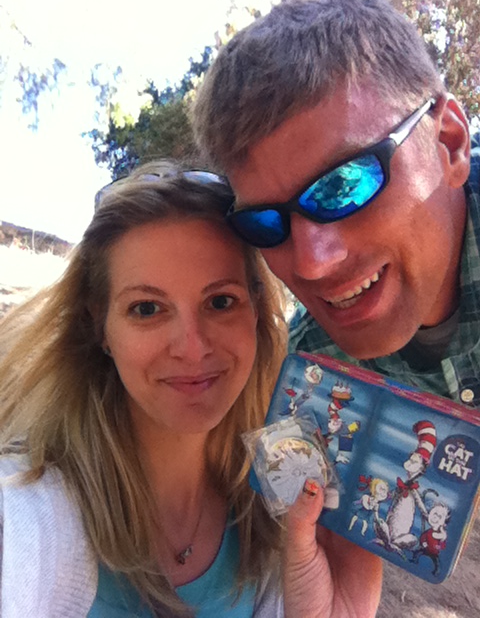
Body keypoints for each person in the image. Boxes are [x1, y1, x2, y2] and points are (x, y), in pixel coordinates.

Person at [0, 162, 381, 617]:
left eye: (220, 302)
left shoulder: (283, 507)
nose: (192, 347)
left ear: (257, 312)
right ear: (99, 326)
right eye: (147, 309)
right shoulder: (23, 511)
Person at [192, 0, 480, 409]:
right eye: (265, 223)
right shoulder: (308, 380)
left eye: (345, 185)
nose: (312, 263)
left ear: (450, 144)